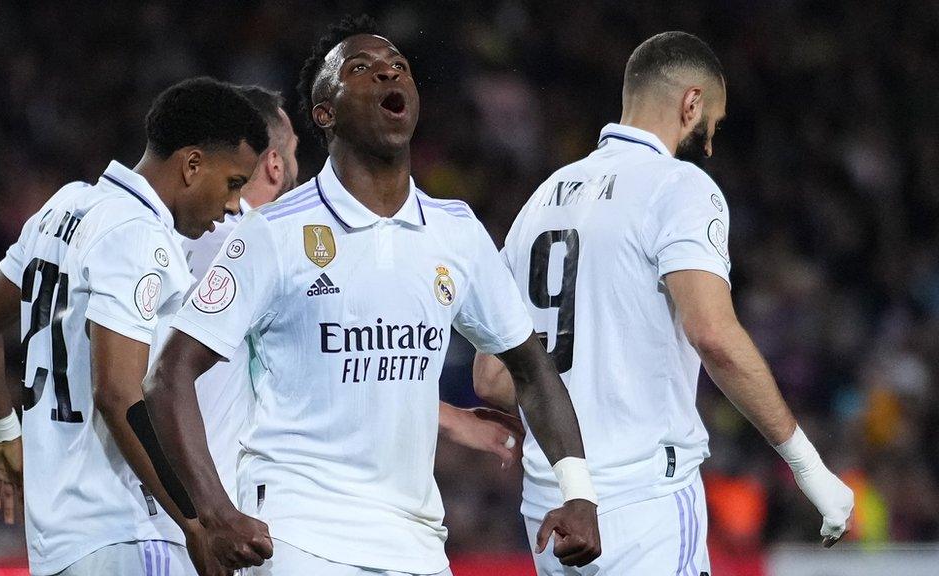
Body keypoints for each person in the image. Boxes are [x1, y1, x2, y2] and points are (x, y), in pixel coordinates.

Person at [142, 15, 601, 576]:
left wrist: (578, 490)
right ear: (324, 113)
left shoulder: (455, 232)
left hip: (417, 543)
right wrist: (214, 515)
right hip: (300, 535)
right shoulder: (273, 234)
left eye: (398, 68)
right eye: (361, 69)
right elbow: (169, 373)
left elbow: (530, 367)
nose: (388, 74)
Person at [474, 31, 855, 575]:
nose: (710, 142)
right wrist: (809, 467)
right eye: (713, 124)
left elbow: (492, 377)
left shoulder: (540, 200)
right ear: (691, 102)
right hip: (643, 505)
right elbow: (713, 334)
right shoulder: (679, 187)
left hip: (550, 507)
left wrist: (584, 382)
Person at [0, 77, 267, 576]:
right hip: (126, 534)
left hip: (57, 543)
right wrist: (196, 524)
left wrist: (3, 431)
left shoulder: (65, 206)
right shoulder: (137, 234)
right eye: (232, 184)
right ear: (191, 165)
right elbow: (117, 394)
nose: (232, 206)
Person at [169, 85, 533, 510]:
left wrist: (450, 420)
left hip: (172, 496)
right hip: (220, 503)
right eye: (293, 153)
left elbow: (330, 371)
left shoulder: (181, 241)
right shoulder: (259, 246)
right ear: (272, 165)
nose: (298, 169)